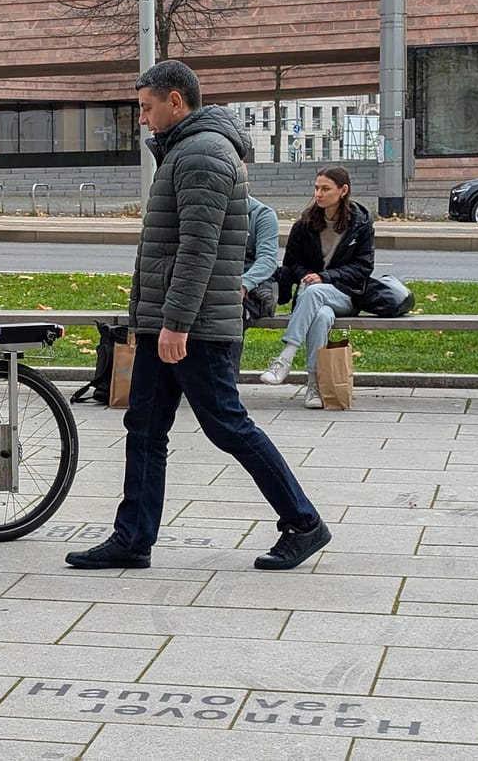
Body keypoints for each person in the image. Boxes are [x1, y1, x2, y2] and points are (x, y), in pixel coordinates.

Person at [64, 60, 330, 573]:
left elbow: (198, 249)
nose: (143, 119)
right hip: (167, 320)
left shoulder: (203, 154)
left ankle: (303, 522)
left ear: (176, 101)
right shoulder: (186, 150)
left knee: (227, 425)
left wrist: (176, 323)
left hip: (194, 326)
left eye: (147, 108)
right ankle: (133, 538)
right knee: (145, 427)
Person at [259, 165, 374, 409]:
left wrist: (324, 277)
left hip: (345, 295)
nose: (318, 194)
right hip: (311, 298)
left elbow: (363, 267)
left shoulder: (360, 224)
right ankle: (314, 386)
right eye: (316, 188)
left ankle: (285, 357)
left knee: (314, 292)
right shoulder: (305, 224)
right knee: (321, 316)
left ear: (343, 190)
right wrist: (308, 276)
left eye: (325, 189)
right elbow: (291, 264)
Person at [243, 170, 280, 324]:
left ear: (246, 186)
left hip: (248, 279)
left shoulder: (263, 215)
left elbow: (267, 259)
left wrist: (245, 284)